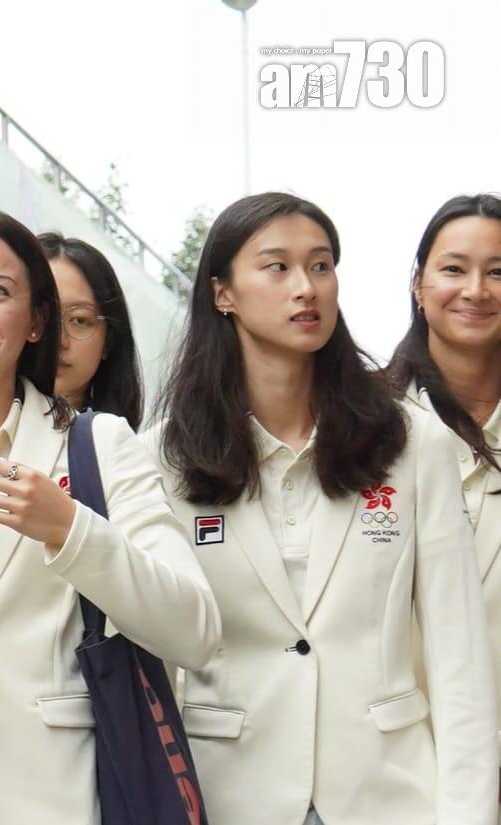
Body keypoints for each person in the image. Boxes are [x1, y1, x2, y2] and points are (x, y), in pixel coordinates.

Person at [0, 206, 221, 825]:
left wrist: (71, 529)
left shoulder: (98, 445)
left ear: (35, 323)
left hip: (52, 797)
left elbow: (194, 631)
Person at [152, 192, 497, 825]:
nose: (306, 288)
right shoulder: (165, 456)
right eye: (276, 267)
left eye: (320, 265)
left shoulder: (414, 440)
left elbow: (460, 657)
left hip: (389, 795)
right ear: (222, 292)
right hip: (227, 791)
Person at [387, 193, 501, 796]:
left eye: (499, 271)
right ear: (418, 283)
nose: (477, 290)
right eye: (454, 269)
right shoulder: (359, 429)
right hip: (387, 777)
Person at [38, 231, 143, 427]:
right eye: (44, 317)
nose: (59, 341)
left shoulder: (114, 449)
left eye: (79, 320)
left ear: (109, 340)